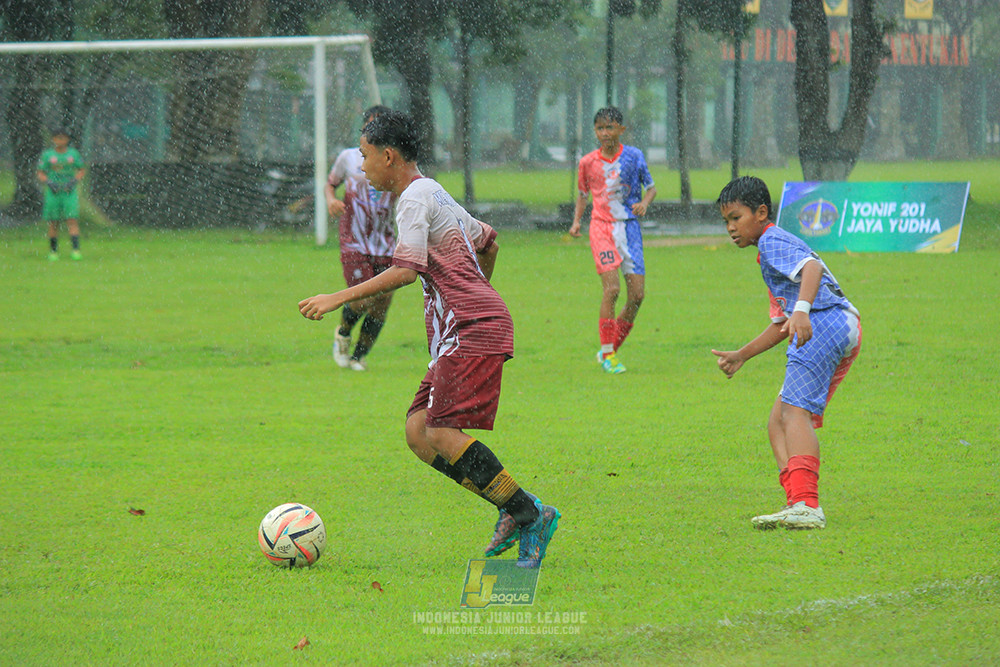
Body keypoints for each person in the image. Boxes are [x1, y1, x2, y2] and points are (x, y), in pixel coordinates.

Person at [299, 110, 560, 568]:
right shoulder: (433, 191)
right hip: (465, 326)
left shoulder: (413, 199)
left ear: (388, 156)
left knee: (440, 431)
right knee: (419, 433)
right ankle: (516, 505)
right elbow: (489, 243)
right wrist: (477, 289)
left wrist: (336, 297)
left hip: (471, 327)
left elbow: (405, 271)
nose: (362, 167)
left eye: (364, 156)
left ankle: (529, 514)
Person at [712, 176, 862, 530]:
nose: (730, 227)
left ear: (761, 213)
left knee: (794, 414)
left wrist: (803, 310)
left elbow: (813, 268)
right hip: (837, 324)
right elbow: (782, 323)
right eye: (726, 221)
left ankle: (807, 505)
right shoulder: (769, 252)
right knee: (778, 420)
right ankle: (796, 501)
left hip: (823, 322)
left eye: (736, 218)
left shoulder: (771, 240)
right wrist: (743, 354)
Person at [569, 106, 657, 374]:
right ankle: (608, 355)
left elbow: (651, 188)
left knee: (637, 295)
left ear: (621, 129)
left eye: (609, 127)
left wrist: (644, 203)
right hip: (601, 229)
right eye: (600, 128)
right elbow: (583, 195)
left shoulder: (634, 156)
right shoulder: (587, 162)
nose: (604, 133)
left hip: (629, 230)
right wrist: (576, 222)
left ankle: (609, 350)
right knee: (612, 290)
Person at [325, 105, 396, 371]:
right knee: (363, 297)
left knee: (382, 302)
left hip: (385, 242)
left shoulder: (395, 159)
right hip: (353, 240)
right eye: (371, 126)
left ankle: (358, 357)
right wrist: (331, 200)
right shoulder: (349, 158)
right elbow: (331, 183)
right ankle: (343, 334)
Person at [37, 128, 86, 261]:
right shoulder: (48, 155)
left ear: (67, 139)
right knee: (53, 222)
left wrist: (73, 181)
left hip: (68, 192)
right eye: (58, 138)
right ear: (53, 139)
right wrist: (49, 182)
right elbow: (40, 172)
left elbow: (81, 170)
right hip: (54, 192)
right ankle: (53, 251)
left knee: (72, 220)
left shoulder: (73, 154)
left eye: (63, 138)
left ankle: (75, 250)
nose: (60, 141)